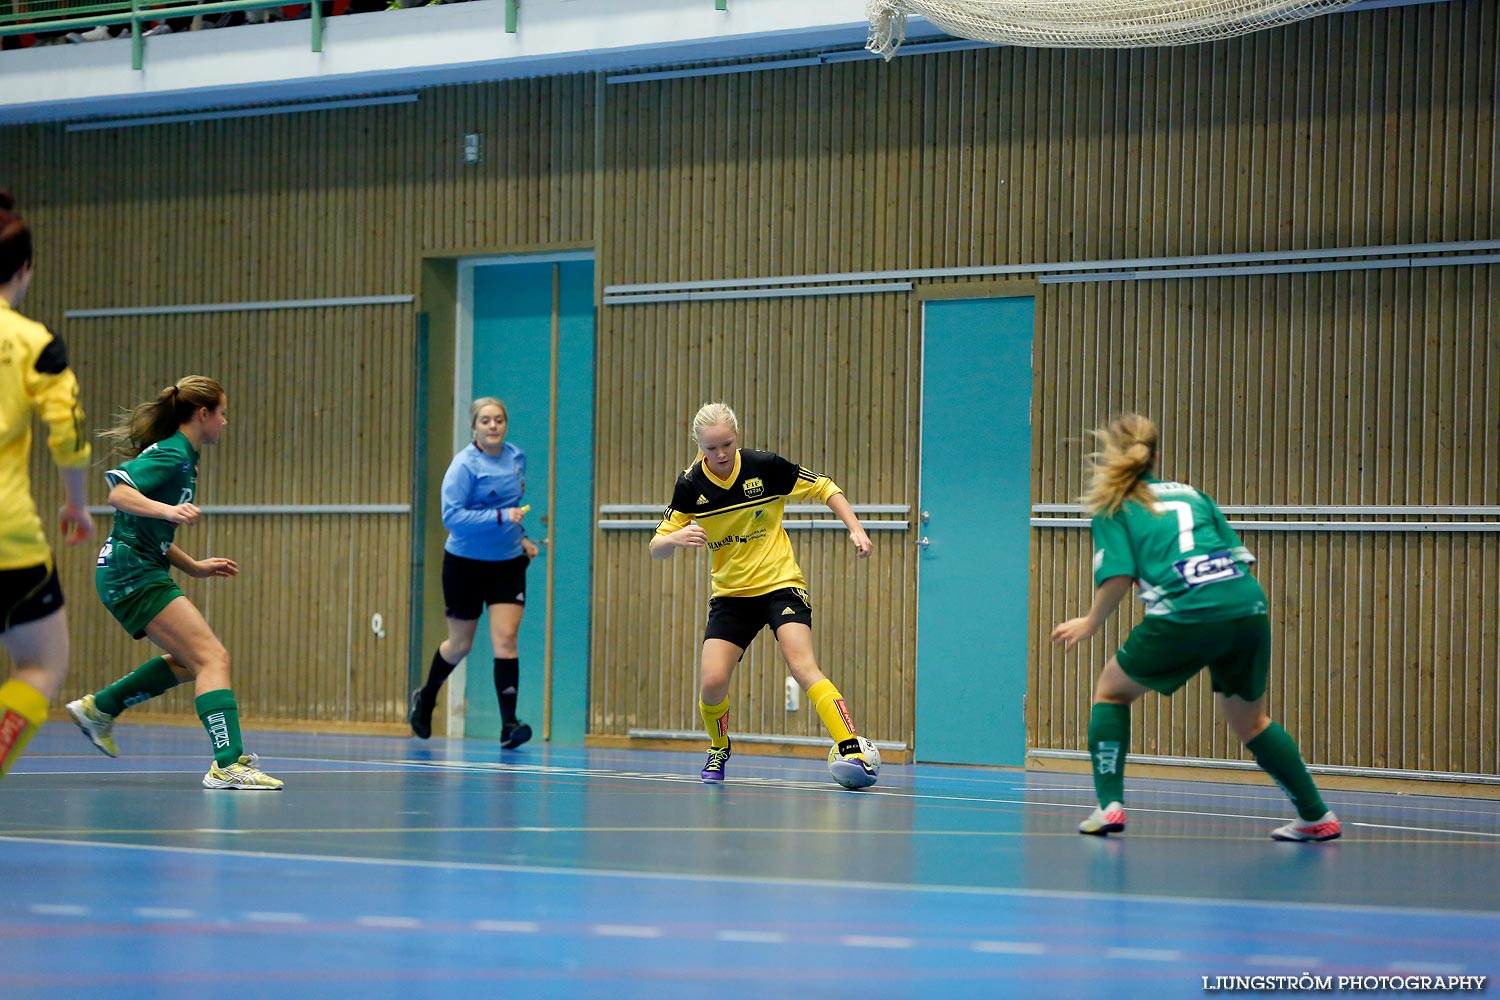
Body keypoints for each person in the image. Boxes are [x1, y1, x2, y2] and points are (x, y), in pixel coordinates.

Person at [1051, 413, 1339, 841]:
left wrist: (1090, 622)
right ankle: (1316, 816)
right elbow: (1239, 557)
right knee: (1252, 721)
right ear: (1157, 456)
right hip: (1247, 606)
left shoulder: (1114, 506)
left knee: (1111, 692)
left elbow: (1117, 577)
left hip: (1188, 612)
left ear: (1112, 458)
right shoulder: (1193, 495)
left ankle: (1109, 805)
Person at [66, 376, 283, 790]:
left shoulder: (184, 457)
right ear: (203, 414)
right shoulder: (171, 454)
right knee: (213, 659)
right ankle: (228, 763)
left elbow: (149, 530)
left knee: (190, 661)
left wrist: (193, 566)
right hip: (132, 571)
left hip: (135, 566)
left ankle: (101, 708)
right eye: (222, 413)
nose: (225, 421)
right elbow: (118, 493)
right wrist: (167, 510)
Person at [651, 402, 877, 787]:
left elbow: (825, 486)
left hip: (780, 584)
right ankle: (719, 747)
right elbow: (656, 546)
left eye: (727, 444)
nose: (720, 454)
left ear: (737, 437)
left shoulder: (764, 466)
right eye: (711, 448)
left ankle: (851, 746)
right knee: (711, 681)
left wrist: (855, 527)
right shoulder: (690, 485)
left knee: (802, 665)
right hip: (731, 596)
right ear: (698, 446)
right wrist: (673, 538)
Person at [0, 191, 96, 780]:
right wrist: (76, 506)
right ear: (25, 269)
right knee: (40, 665)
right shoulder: (37, 345)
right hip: (9, 540)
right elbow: (70, 437)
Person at [408, 397, 539, 749]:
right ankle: (427, 696)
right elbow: (452, 517)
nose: (493, 426)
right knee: (460, 644)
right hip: (465, 563)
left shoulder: (516, 458)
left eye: (499, 419)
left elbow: (513, 507)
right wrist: (500, 518)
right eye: (485, 421)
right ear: (474, 427)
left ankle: (509, 725)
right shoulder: (464, 466)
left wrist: (522, 536)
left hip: (508, 562)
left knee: (506, 639)